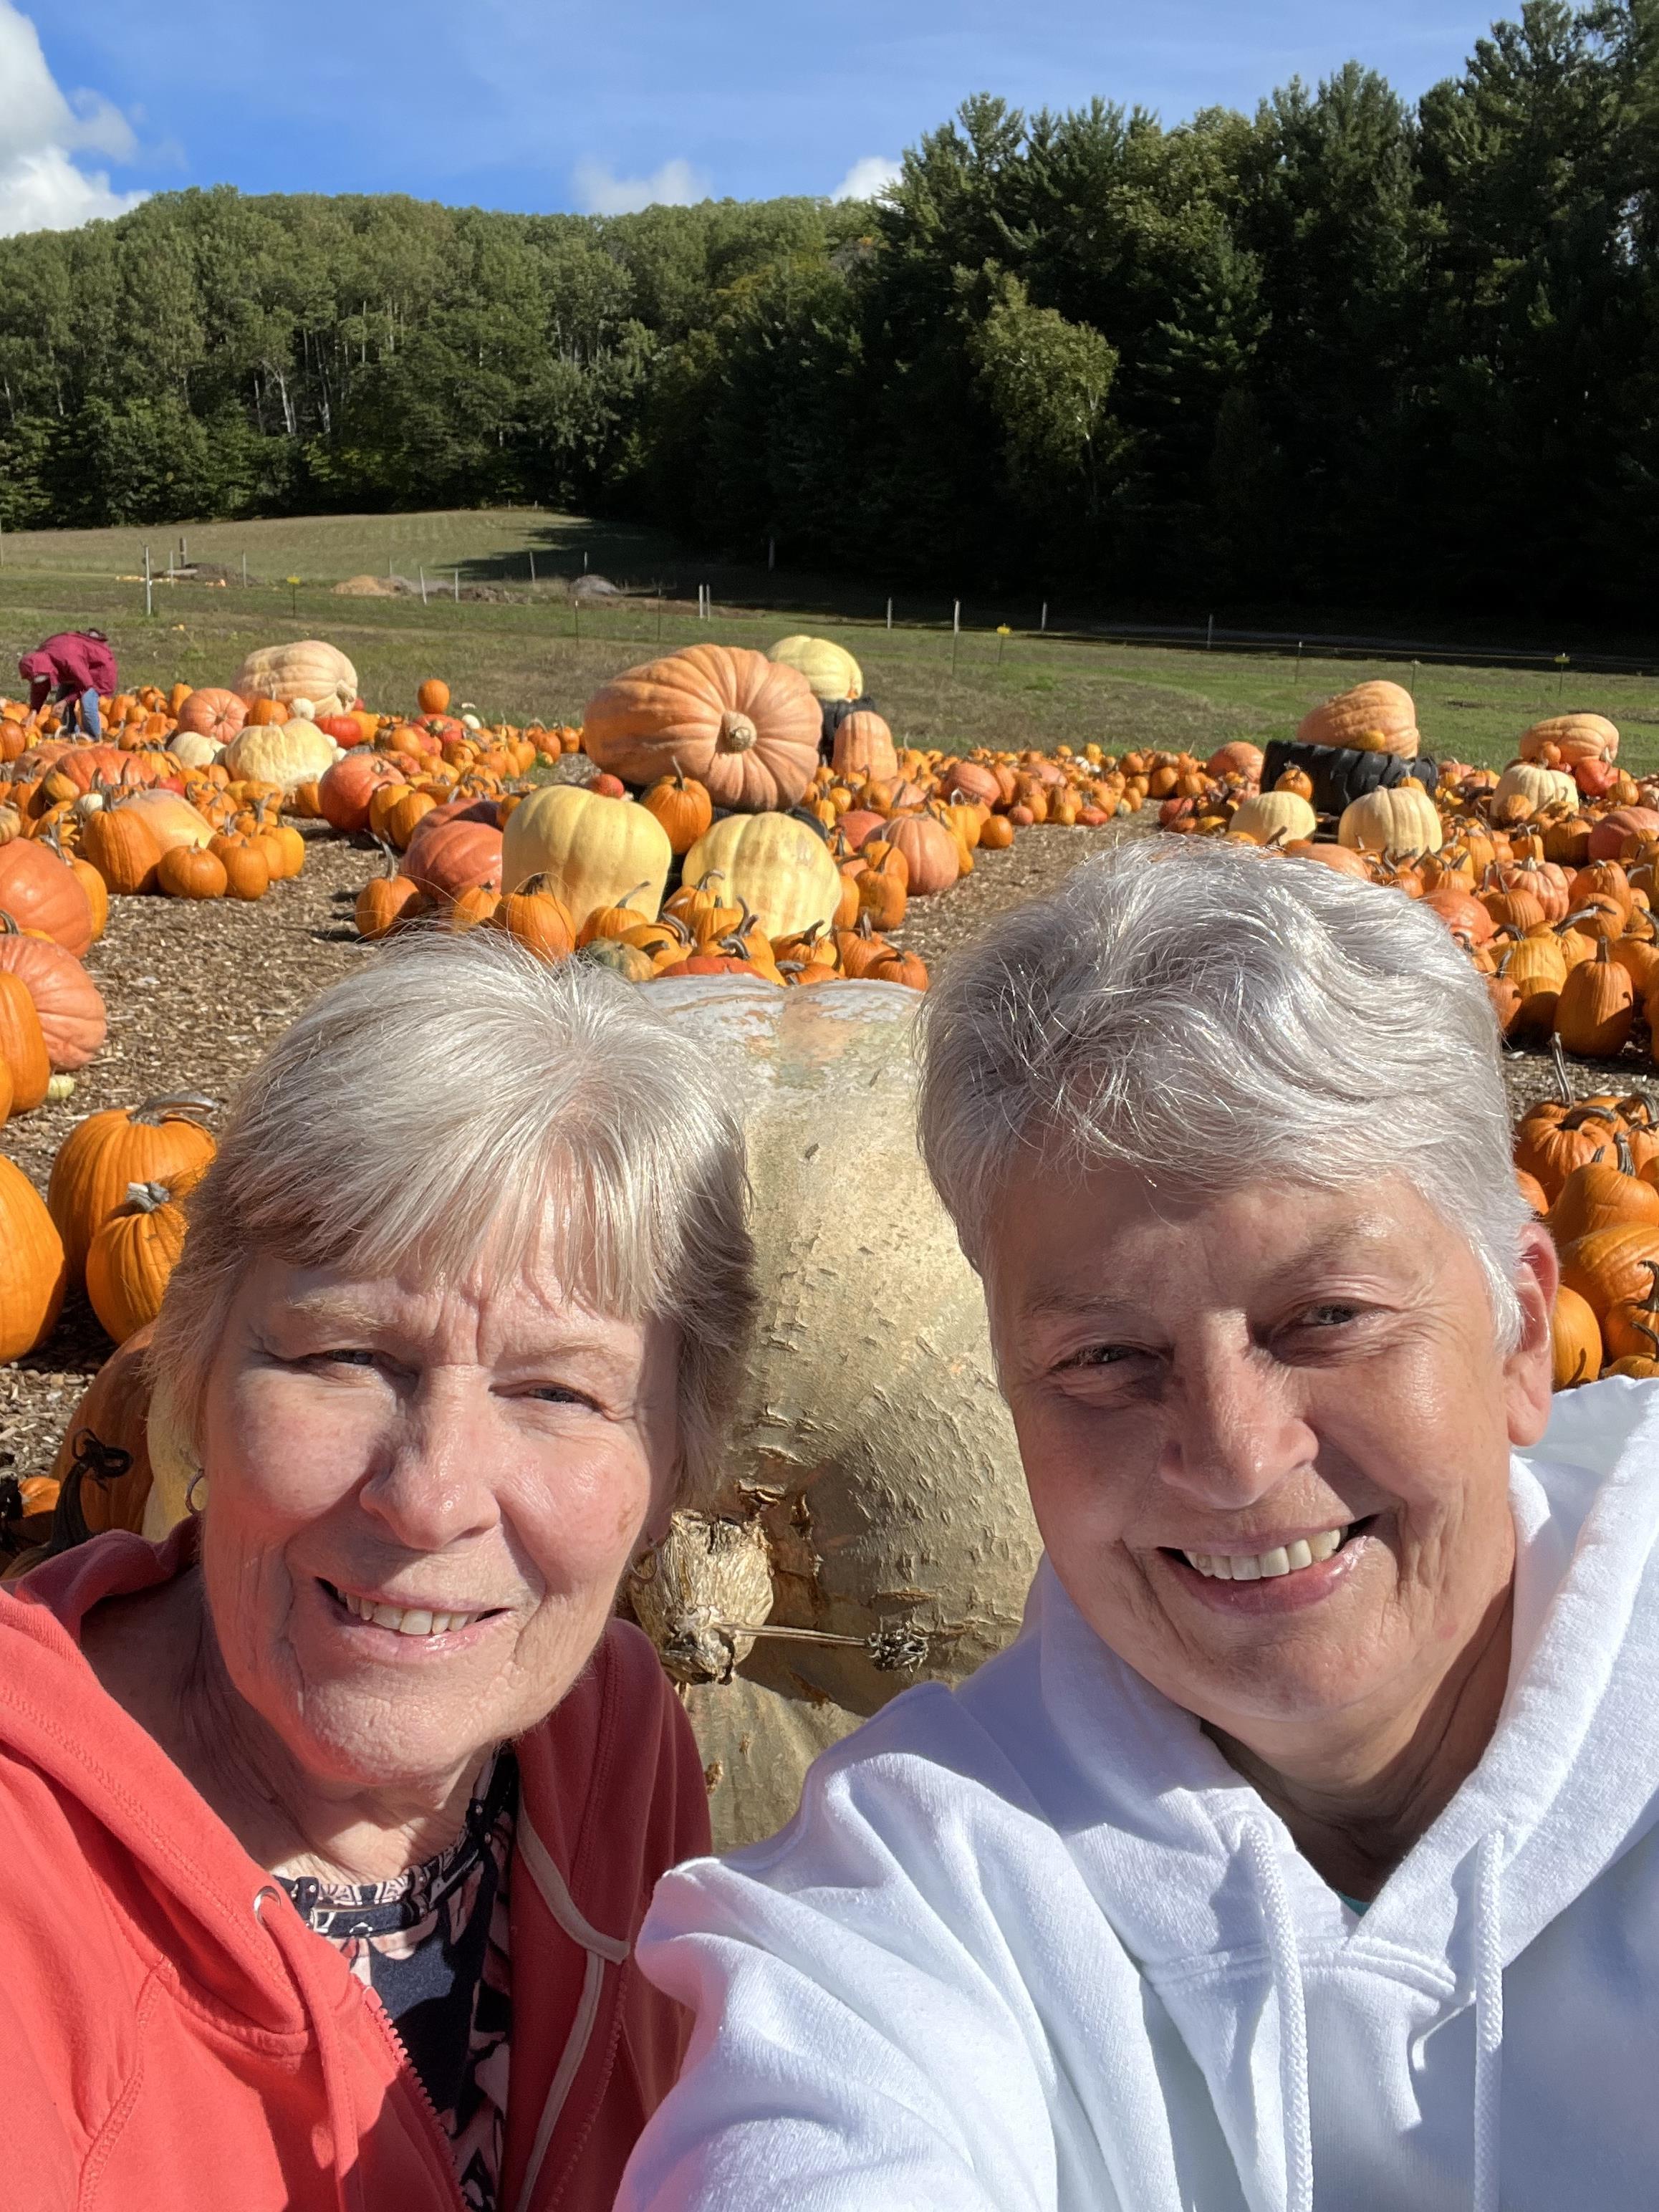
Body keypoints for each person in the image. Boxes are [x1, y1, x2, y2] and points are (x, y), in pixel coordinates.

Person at [619, 838, 1659, 2212]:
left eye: (1325, 1318)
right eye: (1107, 1356)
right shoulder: (902, 1886)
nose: (1232, 1456)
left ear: (1524, 1328)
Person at [0, 932, 754, 2212]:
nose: (430, 1495)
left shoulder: (613, 1733)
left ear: (677, 1461)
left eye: (558, 1388)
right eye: (345, 1355)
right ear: (189, 1367)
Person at [18, 627, 117, 736]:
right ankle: (71, 733)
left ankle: (94, 737)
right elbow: (40, 687)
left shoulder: (69, 661)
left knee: (87, 702)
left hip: (98, 671)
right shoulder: (41, 662)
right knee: (61, 696)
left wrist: (66, 701)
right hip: (78, 671)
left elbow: (86, 686)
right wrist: (34, 710)